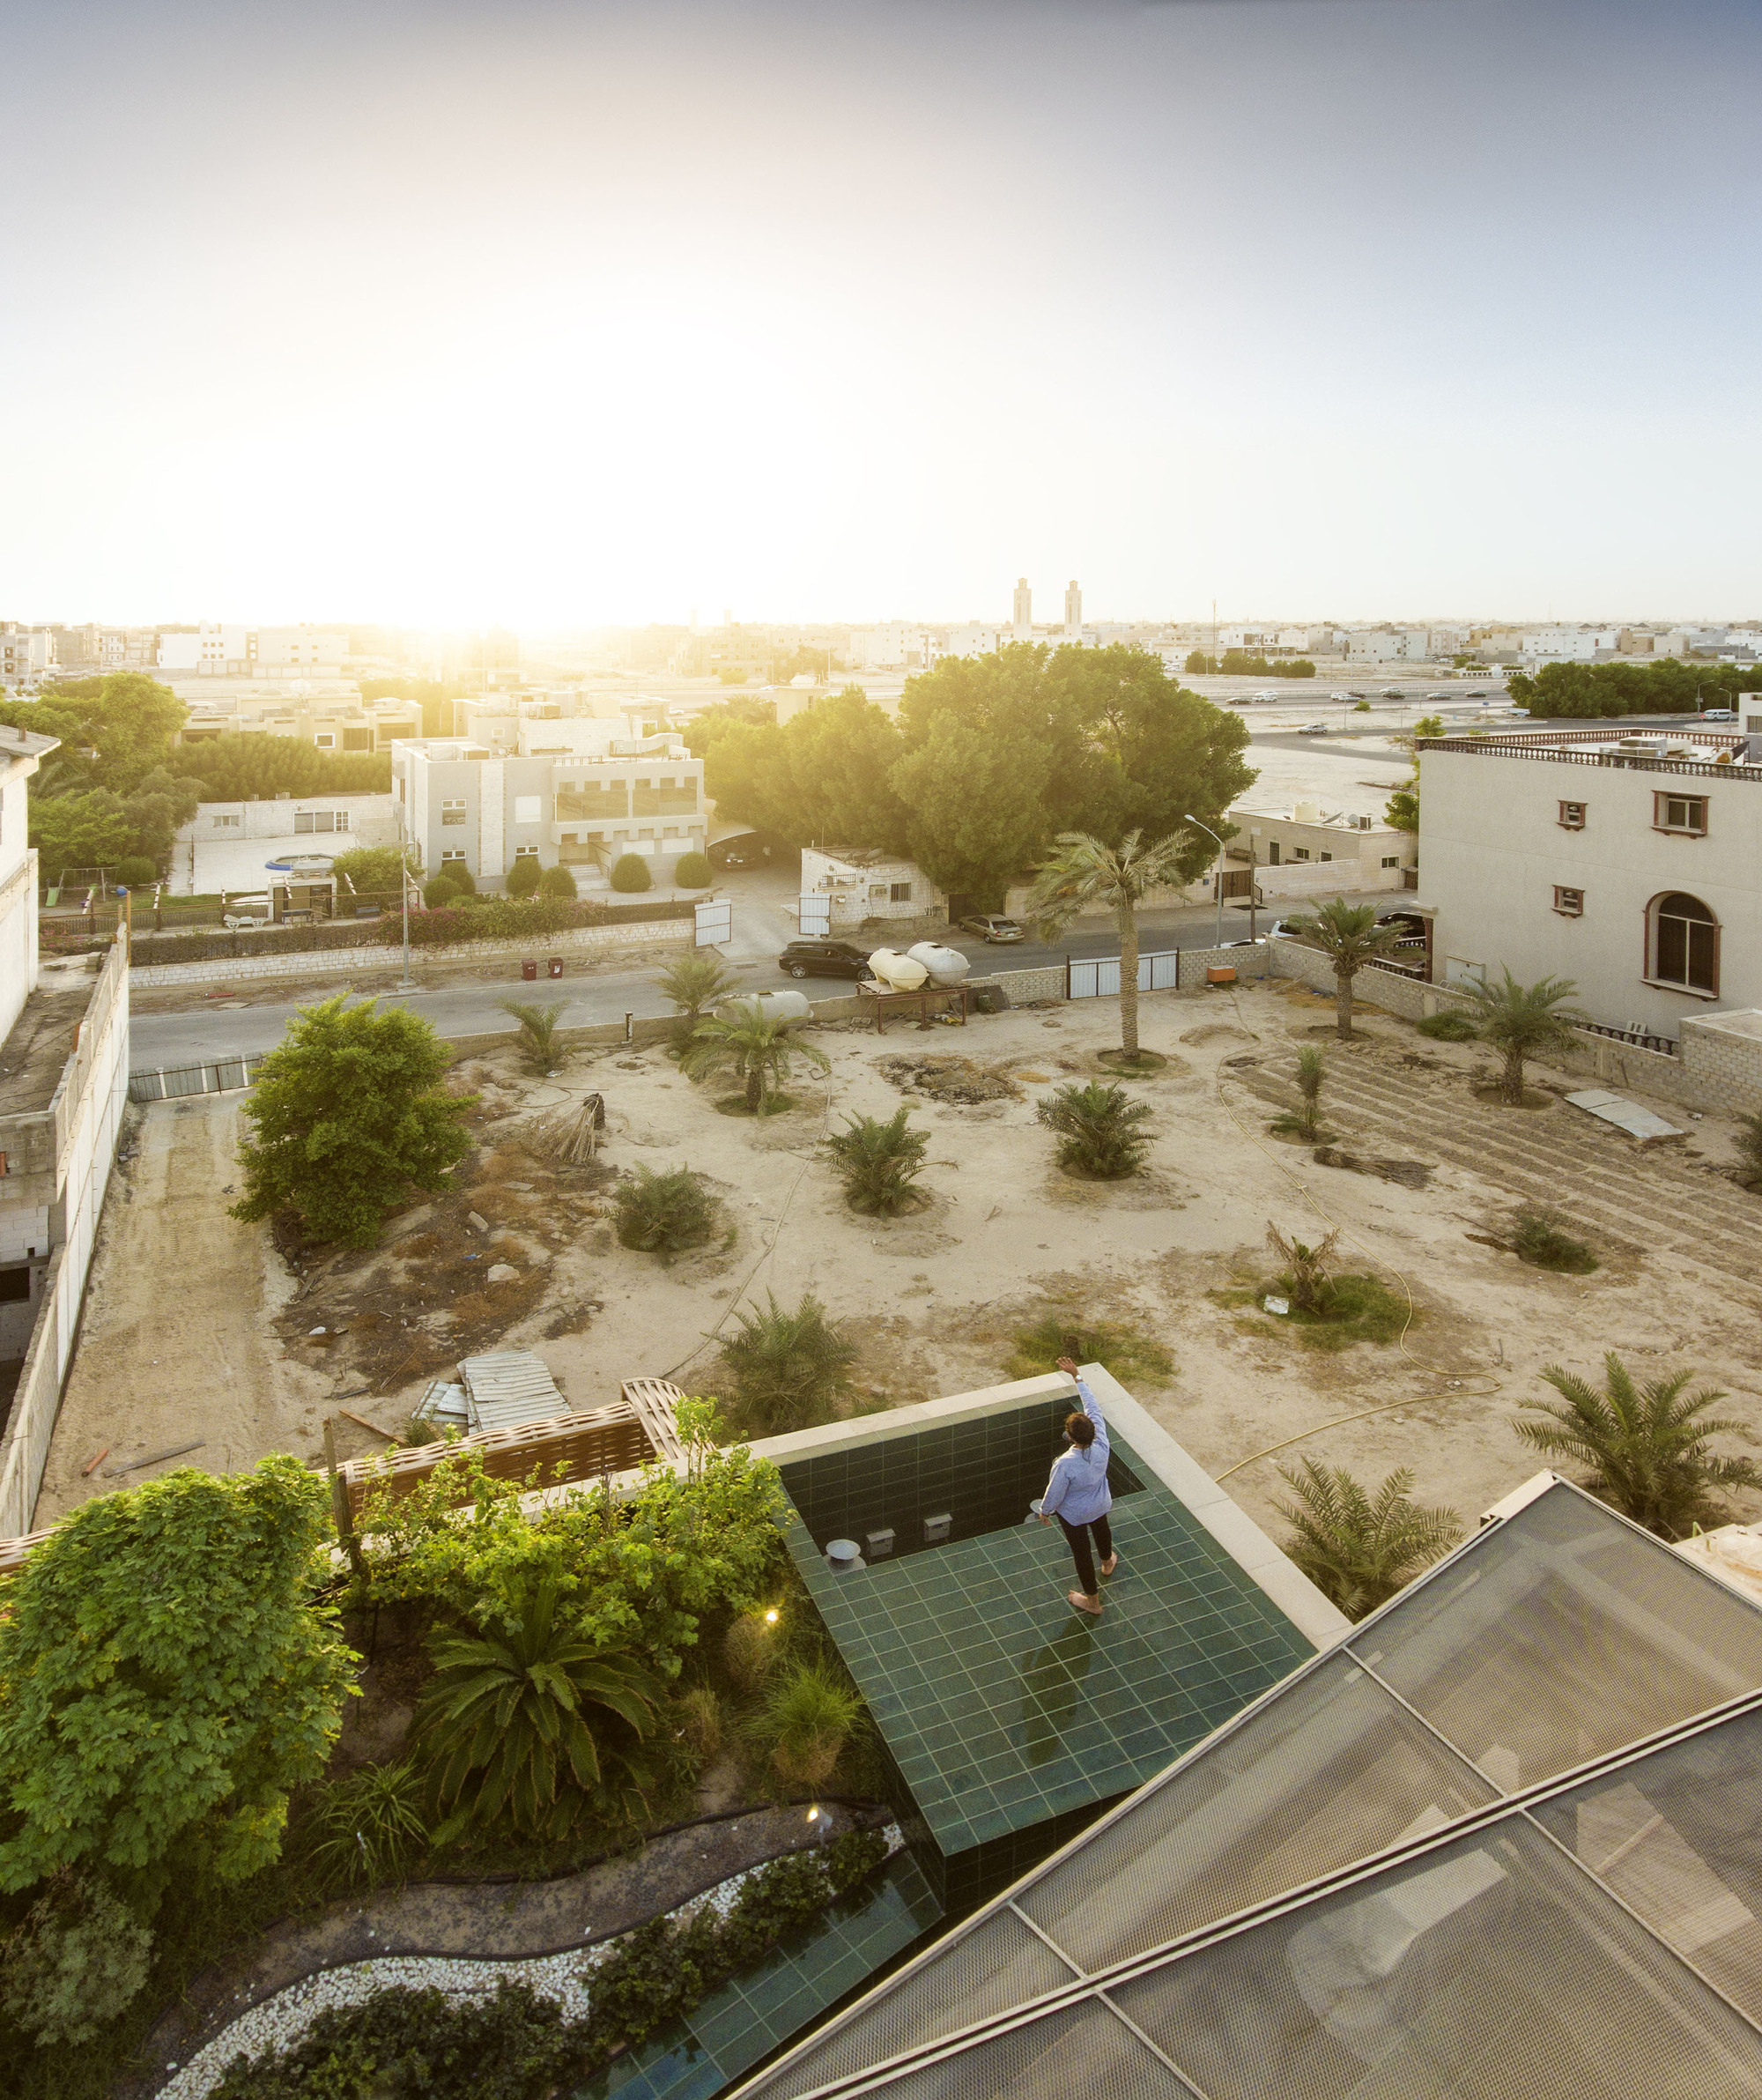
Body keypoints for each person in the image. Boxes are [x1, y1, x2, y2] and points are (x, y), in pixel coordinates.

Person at [1038, 1356, 1119, 1616]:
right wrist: (1078, 1376)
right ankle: (1107, 1562)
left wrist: (1045, 1511)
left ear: (1070, 1437)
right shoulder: (1102, 1440)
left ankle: (1092, 1602)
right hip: (1100, 1503)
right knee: (1101, 1526)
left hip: (1074, 1515)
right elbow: (1092, 1404)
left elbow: (1055, 1492)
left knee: (1082, 1553)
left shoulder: (1065, 1463)